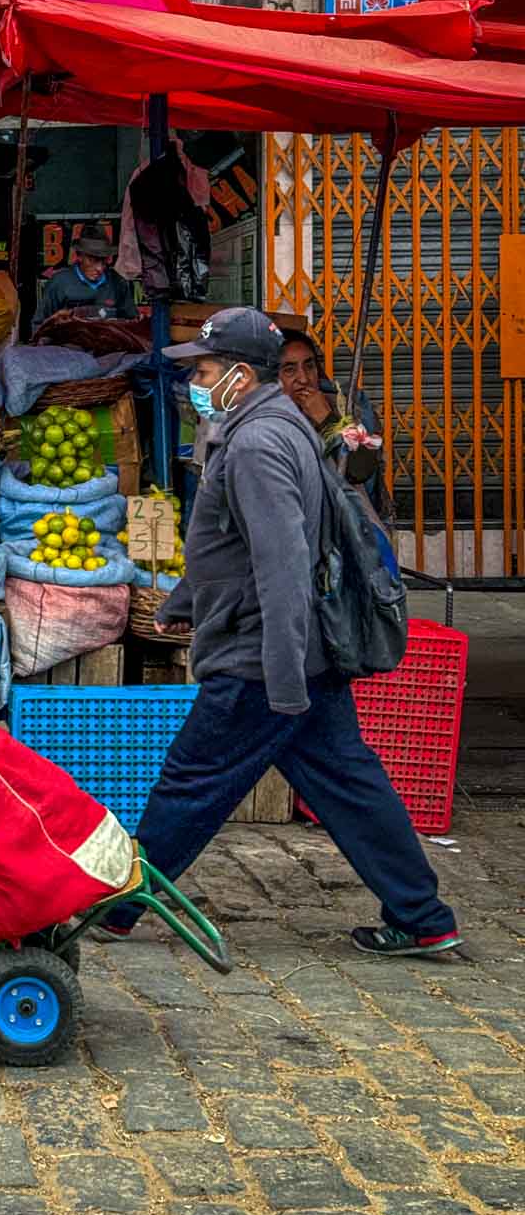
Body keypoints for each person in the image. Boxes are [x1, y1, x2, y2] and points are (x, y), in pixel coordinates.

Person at [98, 307, 460, 959]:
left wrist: (284, 676)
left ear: (239, 375)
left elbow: (284, 562)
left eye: (205, 370)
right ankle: (423, 913)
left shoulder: (259, 445)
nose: (194, 383)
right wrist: (186, 598)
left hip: (262, 657)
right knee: (348, 783)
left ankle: (119, 904)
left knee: (191, 780)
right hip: (293, 653)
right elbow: (231, 548)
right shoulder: (267, 426)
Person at [278, 330, 386, 511]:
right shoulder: (258, 420)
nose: (303, 378)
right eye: (290, 370)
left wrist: (327, 420)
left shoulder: (342, 406)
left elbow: (360, 470)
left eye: (309, 366)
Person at [33, 232, 135, 332]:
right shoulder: (59, 282)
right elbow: (40, 324)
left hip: (108, 344)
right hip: (68, 346)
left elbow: (132, 321)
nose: (100, 268)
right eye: (92, 260)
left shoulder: (117, 282)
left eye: (104, 261)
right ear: (79, 256)